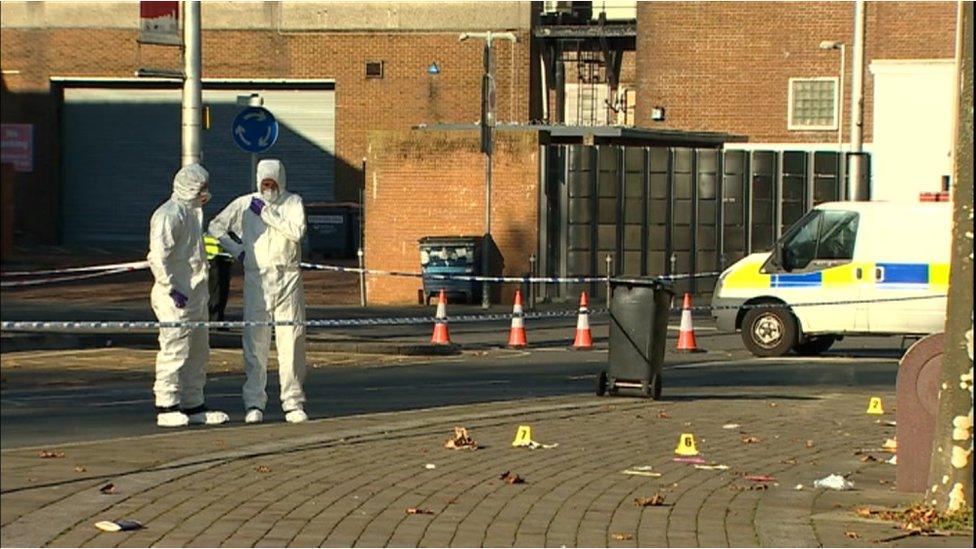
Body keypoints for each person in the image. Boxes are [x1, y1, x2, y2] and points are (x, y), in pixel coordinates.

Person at [208, 159, 308, 424]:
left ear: (280, 181)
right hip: (257, 278)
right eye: (264, 183)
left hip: (288, 277)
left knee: (292, 341)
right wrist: (237, 249)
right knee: (255, 342)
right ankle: (254, 402)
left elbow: (297, 232)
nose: (268, 188)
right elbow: (215, 226)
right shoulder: (244, 204)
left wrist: (268, 214)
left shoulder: (292, 202)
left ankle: (293, 401)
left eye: (273, 183)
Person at [147, 164, 230, 428]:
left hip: (195, 295)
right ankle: (167, 403)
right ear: (188, 187)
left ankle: (194, 403)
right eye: (200, 188)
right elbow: (158, 257)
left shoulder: (194, 214)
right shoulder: (168, 215)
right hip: (175, 296)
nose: (205, 193)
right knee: (174, 349)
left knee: (197, 351)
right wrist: (171, 288)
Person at [204, 234, 235, 322]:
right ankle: (215, 319)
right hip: (216, 255)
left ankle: (217, 317)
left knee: (219, 290)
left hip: (219, 255)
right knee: (217, 290)